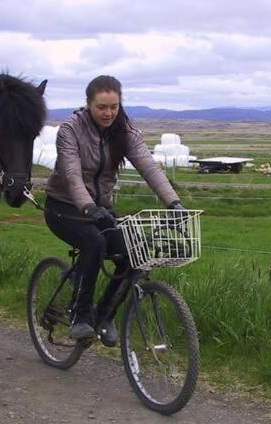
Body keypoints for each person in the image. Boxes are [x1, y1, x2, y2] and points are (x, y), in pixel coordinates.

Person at [44, 75, 184, 346]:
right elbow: (71, 175)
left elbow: (148, 166)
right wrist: (88, 207)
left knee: (135, 254)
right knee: (94, 243)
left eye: (114, 106)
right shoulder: (70, 130)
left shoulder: (125, 131)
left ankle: (103, 315)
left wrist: (173, 203)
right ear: (88, 105)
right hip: (64, 207)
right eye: (102, 107)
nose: (108, 113)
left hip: (101, 209)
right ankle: (80, 318)